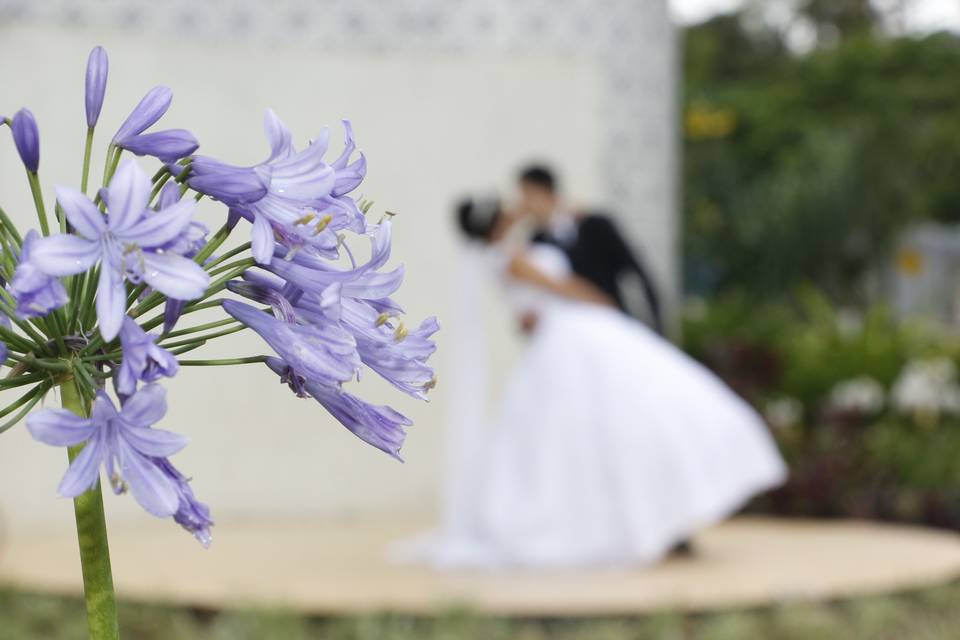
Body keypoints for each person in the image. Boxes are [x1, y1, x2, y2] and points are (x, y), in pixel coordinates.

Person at [394, 197, 787, 571]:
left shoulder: (500, 259)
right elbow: (561, 289)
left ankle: (649, 519)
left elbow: (526, 311)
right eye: (505, 210)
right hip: (574, 334)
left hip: (564, 339)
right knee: (621, 418)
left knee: (597, 429)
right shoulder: (512, 259)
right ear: (496, 222)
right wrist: (601, 302)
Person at [518, 165, 664, 333]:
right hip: (570, 331)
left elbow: (636, 270)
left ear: (545, 192)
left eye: (527, 195)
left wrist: (656, 325)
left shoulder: (595, 225)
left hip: (610, 323)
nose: (523, 205)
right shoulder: (537, 242)